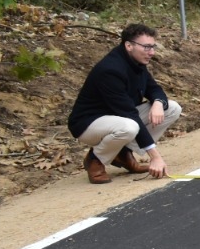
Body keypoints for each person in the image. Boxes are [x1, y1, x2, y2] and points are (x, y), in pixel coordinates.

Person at [68, 23, 182, 184]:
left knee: (171, 108)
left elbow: (154, 89)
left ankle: (123, 153)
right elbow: (129, 114)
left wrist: (157, 102)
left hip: (119, 117)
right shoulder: (110, 70)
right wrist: (155, 158)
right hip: (89, 124)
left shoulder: (136, 62)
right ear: (129, 45)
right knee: (129, 127)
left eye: (153, 47)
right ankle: (95, 160)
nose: (152, 52)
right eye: (147, 47)